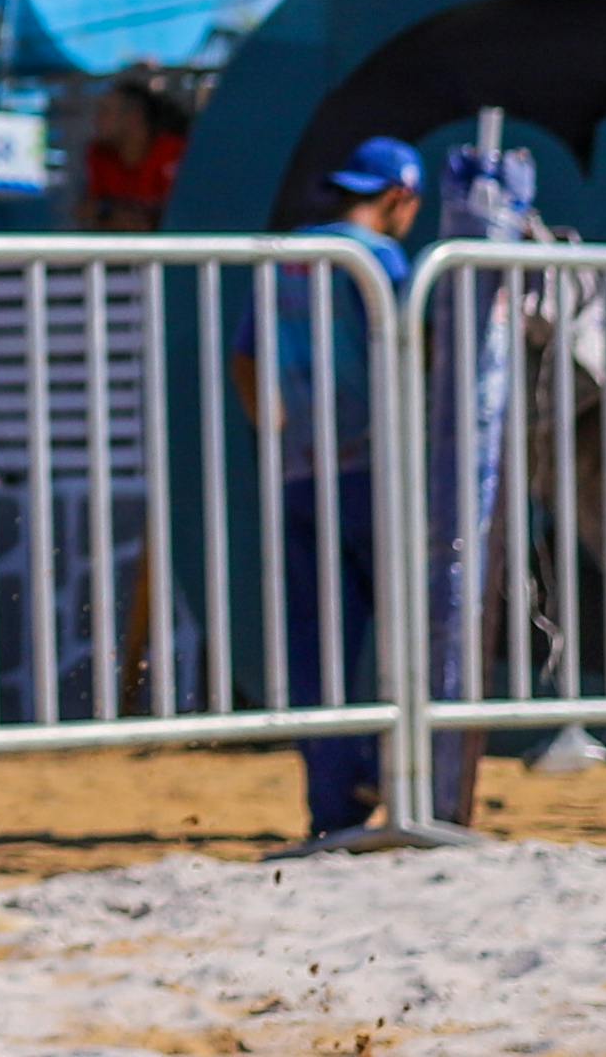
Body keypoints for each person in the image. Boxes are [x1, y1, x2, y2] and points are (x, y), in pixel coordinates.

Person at [229, 136, 422, 841]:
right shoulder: (383, 259)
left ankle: (334, 804)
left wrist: (279, 433)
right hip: (375, 469)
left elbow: (244, 361)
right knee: (408, 631)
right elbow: (416, 346)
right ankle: (397, 782)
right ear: (398, 198)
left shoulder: (284, 256)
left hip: (301, 474)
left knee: (315, 646)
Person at [77, 70, 190, 231]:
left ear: (133, 117)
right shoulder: (99, 154)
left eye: (105, 111)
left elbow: (181, 215)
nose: (96, 119)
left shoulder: (175, 151)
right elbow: (87, 211)